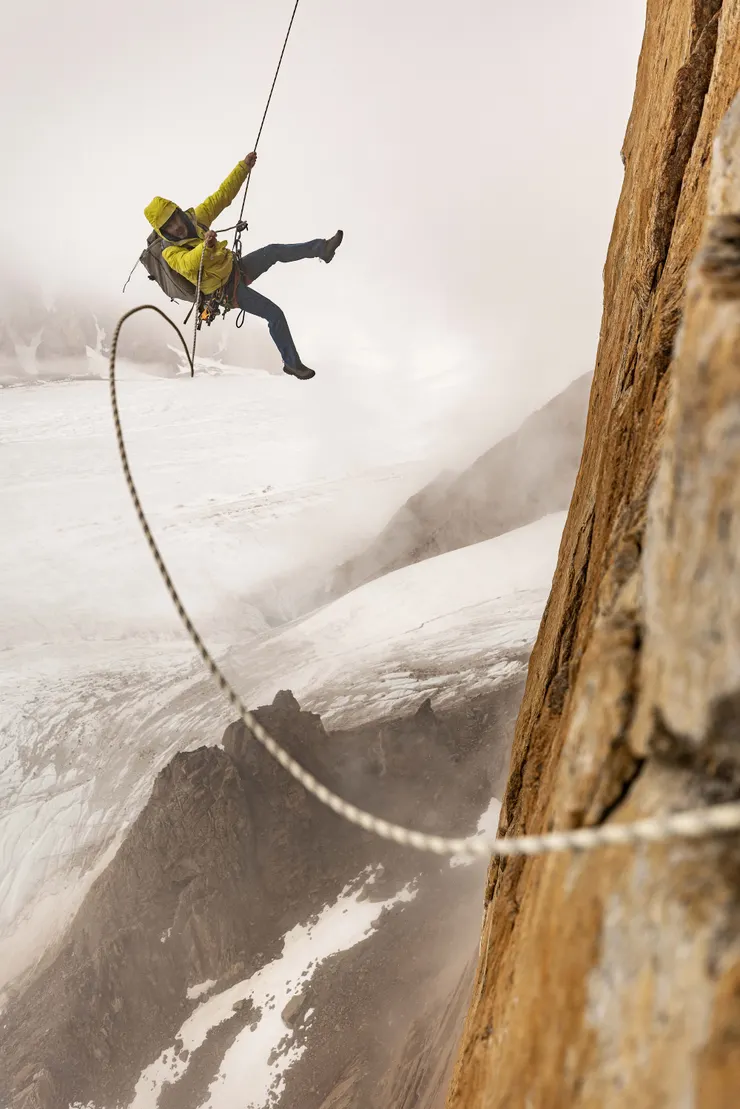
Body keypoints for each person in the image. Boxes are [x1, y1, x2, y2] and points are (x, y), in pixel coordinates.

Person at [143, 152, 343, 380]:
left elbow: (222, 196)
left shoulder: (196, 219)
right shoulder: (170, 252)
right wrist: (205, 247)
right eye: (169, 226)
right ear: (163, 232)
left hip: (234, 269)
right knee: (275, 314)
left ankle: (322, 249)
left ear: (179, 212)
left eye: (176, 218)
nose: (177, 226)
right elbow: (188, 264)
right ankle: (292, 364)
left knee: (273, 251)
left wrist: (243, 168)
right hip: (226, 292)